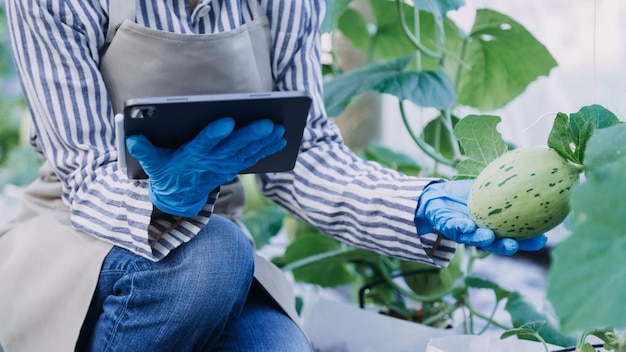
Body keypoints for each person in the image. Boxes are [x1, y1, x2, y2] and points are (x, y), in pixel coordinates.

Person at [0, 0, 547, 351]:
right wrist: (166, 202)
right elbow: (86, 169)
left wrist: (418, 201)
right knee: (213, 253)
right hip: (80, 238)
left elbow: (302, 154)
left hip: (213, 257)